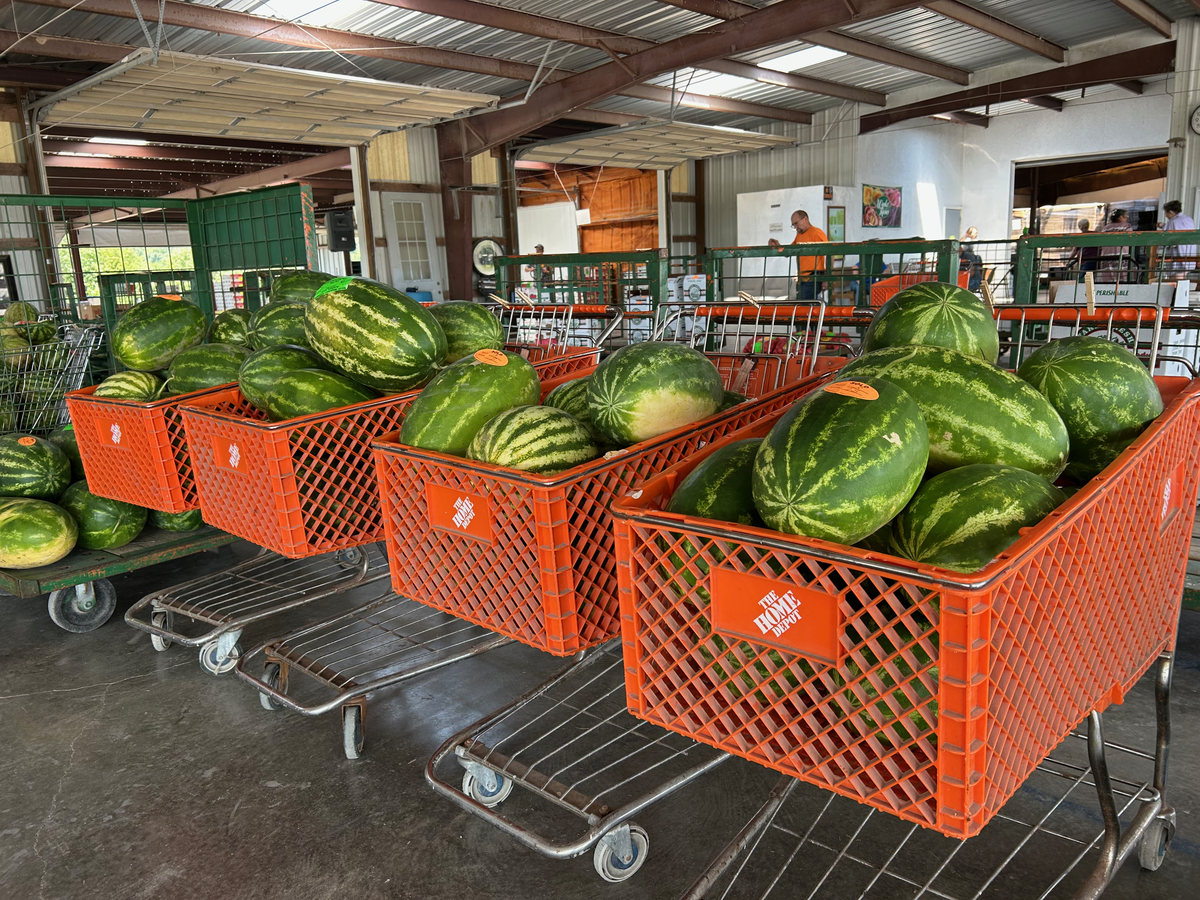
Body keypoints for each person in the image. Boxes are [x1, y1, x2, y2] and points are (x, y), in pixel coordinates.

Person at [768, 209, 828, 300]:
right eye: (793, 225)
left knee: (807, 305)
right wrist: (778, 246)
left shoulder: (816, 232)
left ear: (805, 219)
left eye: (796, 223)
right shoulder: (799, 235)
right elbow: (790, 251)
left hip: (813, 276)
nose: (796, 227)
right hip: (802, 277)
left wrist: (826, 278)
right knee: (804, 304)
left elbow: (830, 252)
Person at [1097, 210, 1134, 284]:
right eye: (1126, 217)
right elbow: (1131, 239)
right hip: (1121, 255)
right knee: (1123, 278)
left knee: (1108, 280)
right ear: (1121, 217)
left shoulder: (1106, 228)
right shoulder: (1126, 226)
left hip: (1106, 257)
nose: (1126, 218)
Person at [1162, 200, 1197, 274]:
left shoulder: (1172, 222)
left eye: (1166, 213)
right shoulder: (1188, 219)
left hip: (1176, 254)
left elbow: (1166, 239)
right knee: (1183, 275)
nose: (1166, 215)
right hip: (1189, 254)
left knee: (1176, 277)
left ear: (1171, 212)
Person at [958, 226, 982, 292]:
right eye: (974, 232)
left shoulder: (968, 255)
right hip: (969, 262)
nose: (975, 234)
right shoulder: (967, 240)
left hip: (971, 277)